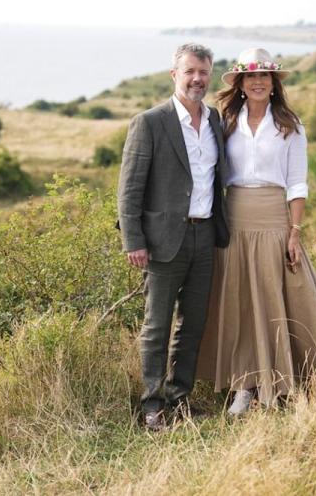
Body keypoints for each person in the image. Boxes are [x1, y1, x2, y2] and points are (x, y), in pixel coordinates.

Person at [195, 48, 316, 415]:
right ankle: (244, 386)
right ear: (241, 85)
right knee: (240, 302)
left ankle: (287, 380)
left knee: (279, 297)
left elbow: (297, 183)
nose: (259, 82)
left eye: (265, 76)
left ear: (274, 84)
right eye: (252, 77)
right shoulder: (226, 121)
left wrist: (294, 231)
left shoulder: (290, 126)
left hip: (273, 218)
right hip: (233, 217)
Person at [117, 43, 230, 431]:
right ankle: (152, 406)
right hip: (164, 239)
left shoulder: (215, 120)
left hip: (205, 236)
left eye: (204, 72)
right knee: (157, 325)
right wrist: (134, 240)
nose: (197, 78)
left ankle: (180, 399)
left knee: (193, 323)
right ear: (175, 75)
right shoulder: (150, 122)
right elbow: (129, 189)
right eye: (190, 72)